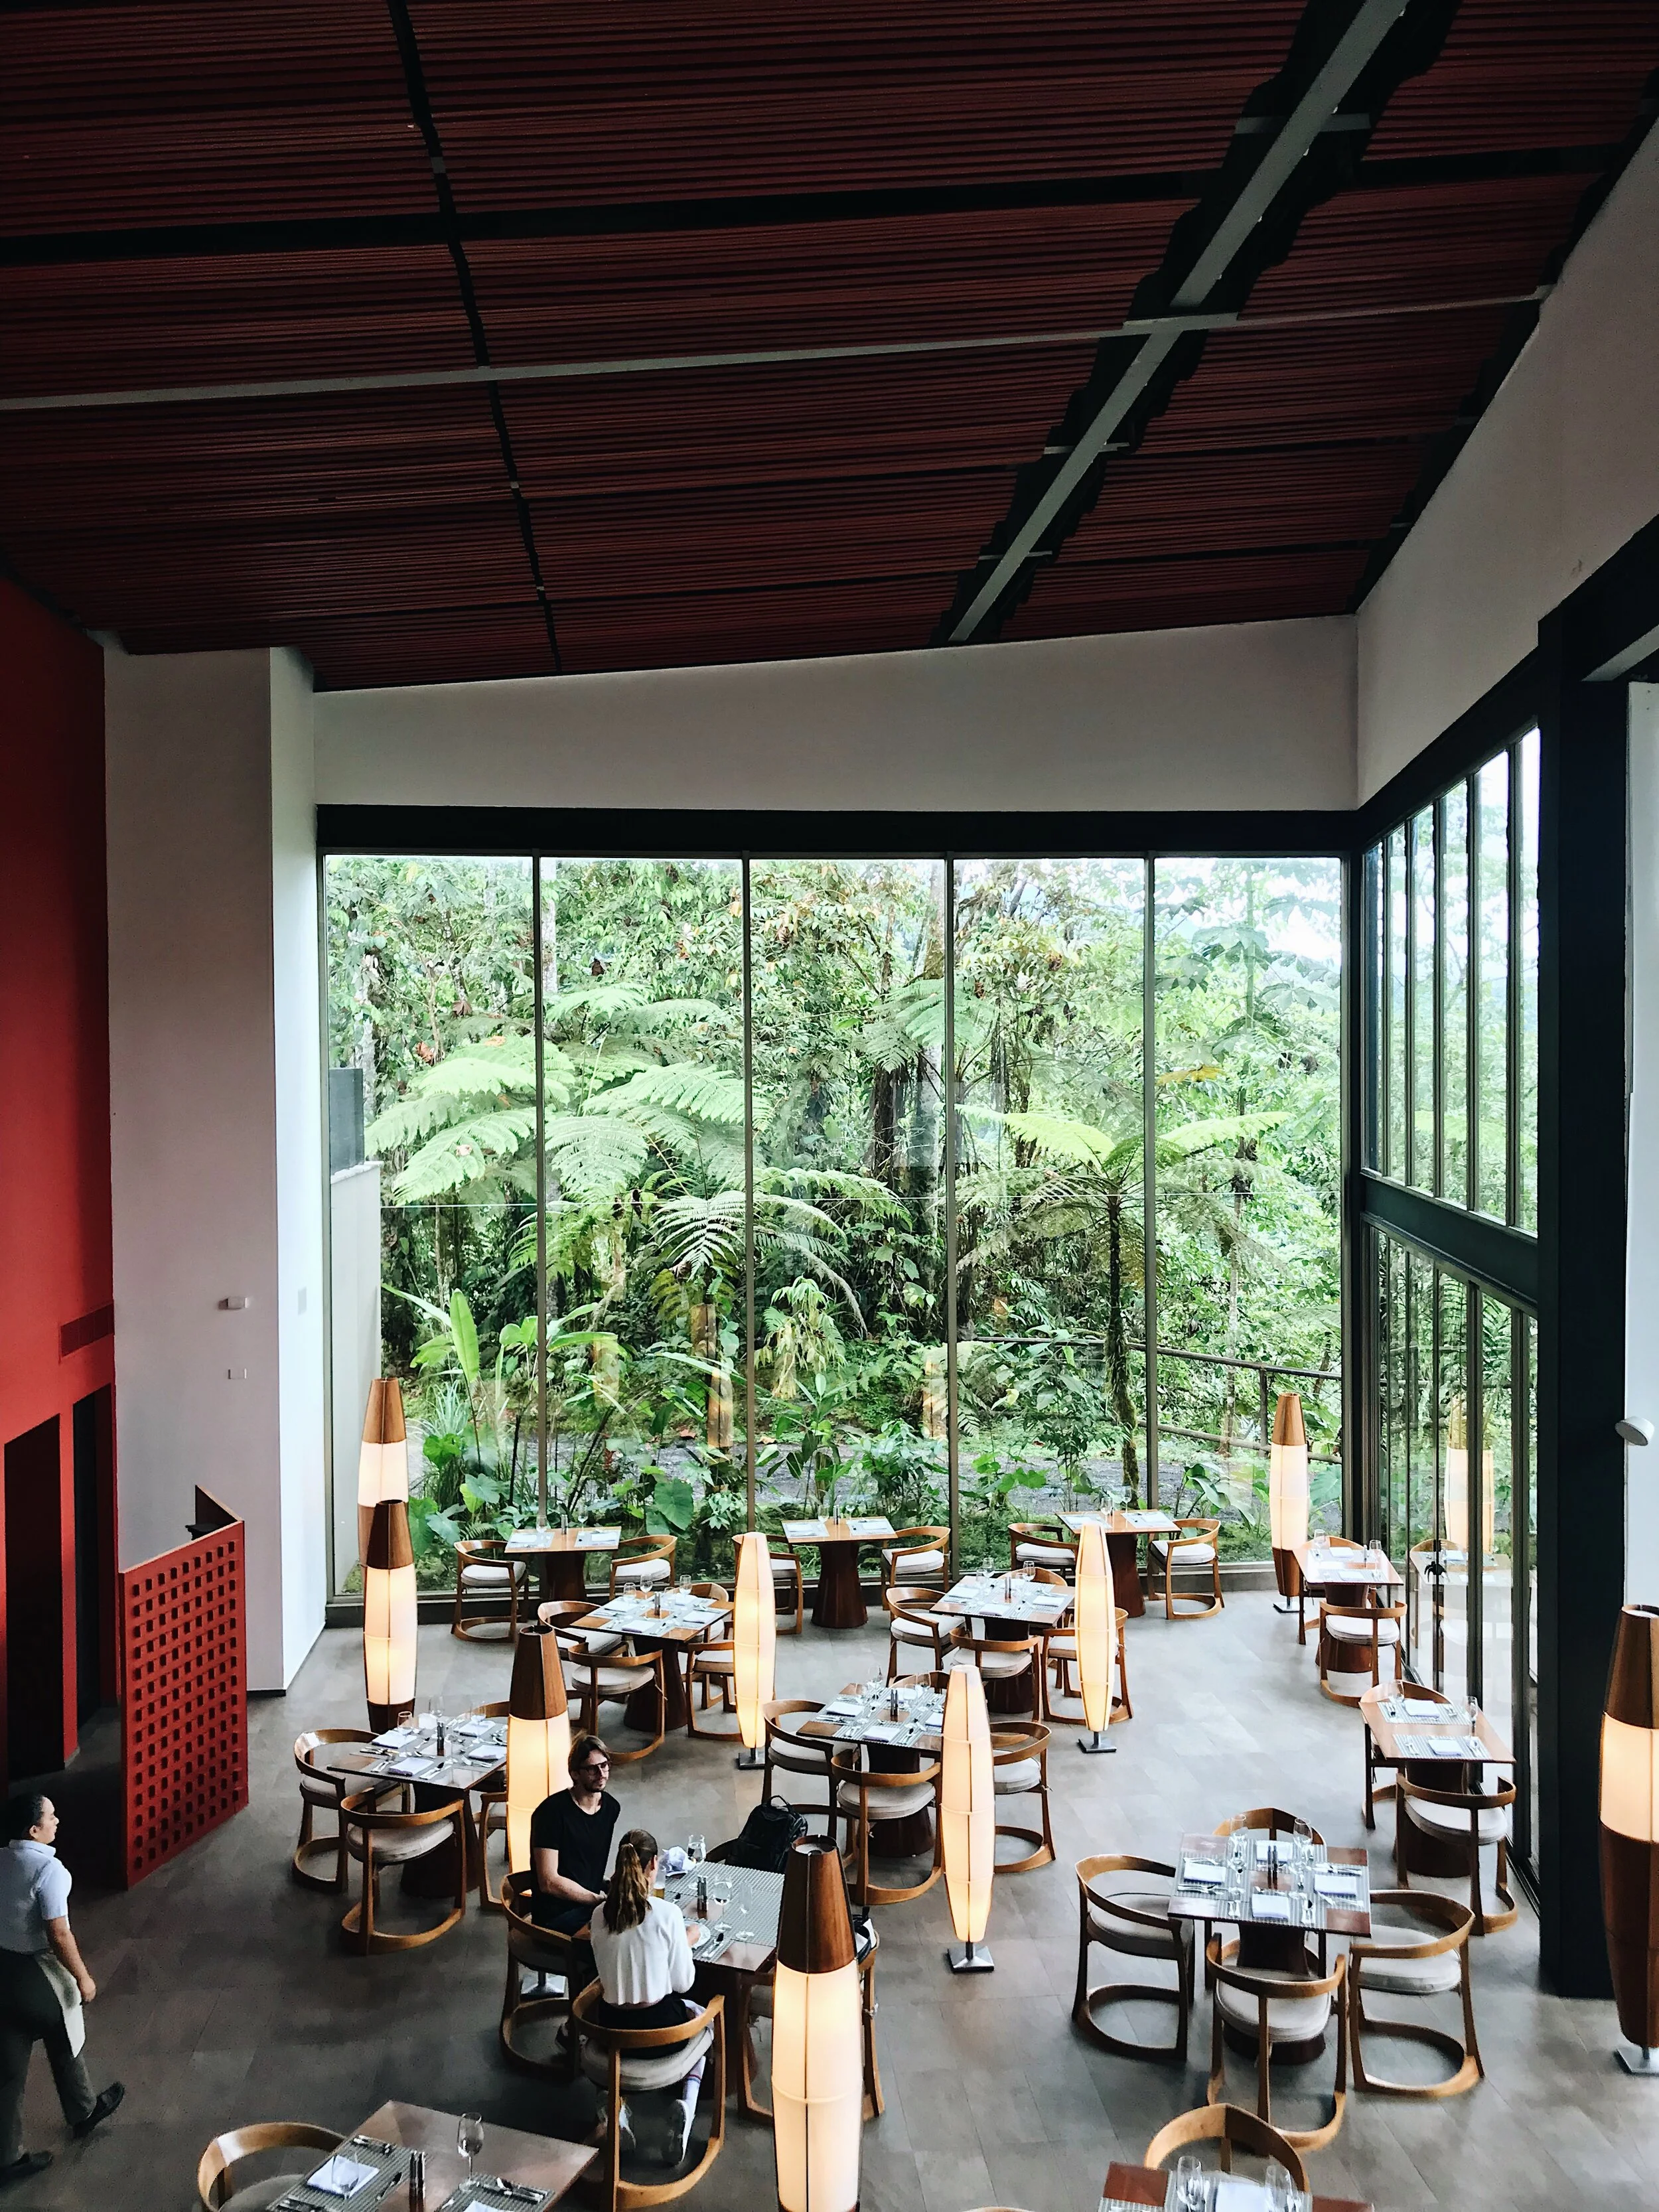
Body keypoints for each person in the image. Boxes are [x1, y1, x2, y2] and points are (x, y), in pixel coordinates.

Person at [0, 1794, 123, 2188]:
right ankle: (83, 2110)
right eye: (51, 1817)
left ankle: (7, 2157)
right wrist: (83, 1978)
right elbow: (58, 1932)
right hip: (31, 1970)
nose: (58, 1821)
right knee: (64, 2015)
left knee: (9, 2068)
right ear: (33, 1830)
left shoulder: (2, 1859)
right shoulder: (50, 1870)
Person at [587, 1830, 705, 2167]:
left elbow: (607, 1971)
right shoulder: (666, 1914)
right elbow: (684, 1984)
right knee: (704, 2020)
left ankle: (617, 2112)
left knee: (606, 2026)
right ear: (655, 1864)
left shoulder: (599, 1916)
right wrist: (685, 1943)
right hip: (660, 2037)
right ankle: (687, 2105)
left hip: (613, 2037)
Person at [528, 1733, 620, 1997]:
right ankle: (584, 2019)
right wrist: (594, 1900)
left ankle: (615, 2012)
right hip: (556, 1914)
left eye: (604, 1766)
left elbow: (590, 1863)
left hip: (590, 1906)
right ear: (575, 1773)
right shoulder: (551, 1814)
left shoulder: (610, 1808)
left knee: (635, 1931)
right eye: (592, 1769)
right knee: (610, 1946)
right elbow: (549, 1881)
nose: (601, 1774)